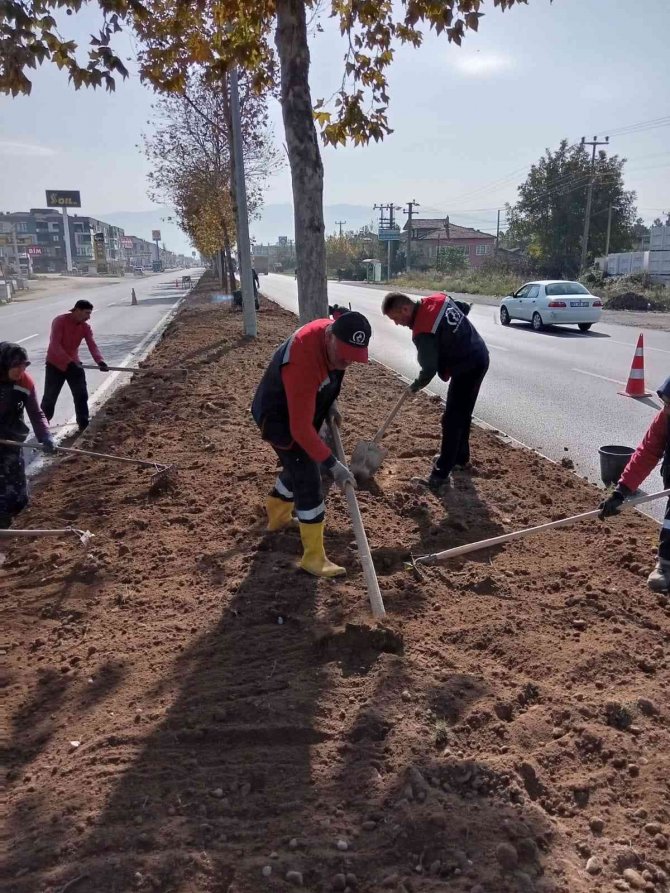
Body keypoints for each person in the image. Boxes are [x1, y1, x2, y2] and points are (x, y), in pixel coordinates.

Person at [251, 310, 371, 578]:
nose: (346, 362)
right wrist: (333, 465)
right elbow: (300, 430)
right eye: (342, 354)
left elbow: (334, 371)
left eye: (353, 357)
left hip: (305, 407)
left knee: (297, 464)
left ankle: (278, 512)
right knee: (307, 476)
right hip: (279, 416)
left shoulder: (335, 342)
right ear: (329, 337)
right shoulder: (303, 361)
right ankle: (314, 558)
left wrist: (331, 403)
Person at [381, 291, 489, 490]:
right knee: (463, 414)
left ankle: (441, 472)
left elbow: (429, 368)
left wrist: (416, 385)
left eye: (396, 318)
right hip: (480, 354)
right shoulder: (437, 299)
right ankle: (460, 457)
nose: (397, 324)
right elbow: (464, 307)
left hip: (467, 366)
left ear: (405, 309)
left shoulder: (423, 329)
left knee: (451, 420)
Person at [599, 376, 670, 592]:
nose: (667, 409)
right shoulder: (666, 418)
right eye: (666, 404)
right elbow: (647, 452)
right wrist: (621, 492)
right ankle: (665, 567)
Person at [0, 342, 55, 528]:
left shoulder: (25, 382)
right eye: (16, 365)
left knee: (16, 489)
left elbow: (36, 412)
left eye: (24, 365)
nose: (20, 370)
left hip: (11, 436)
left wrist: (45, 435)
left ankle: (16, 522)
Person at [41, 299, 109, 433]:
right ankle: (42, 426)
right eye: (86, 313)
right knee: (50, 397)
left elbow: (92, 345)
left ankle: (83, 424)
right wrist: (68, 362)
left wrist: (100, 361)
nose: (88, 317)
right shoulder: (60, 321)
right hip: (55, 364)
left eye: (90, 314)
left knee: (81, 395)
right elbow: (55, 345)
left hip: (74, 364)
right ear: (77, 310)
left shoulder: (85, 327)